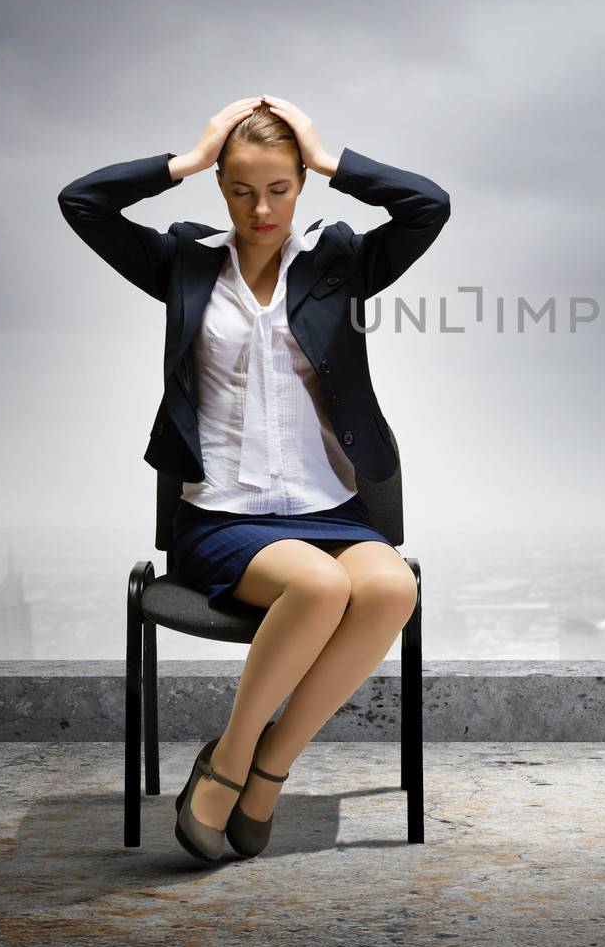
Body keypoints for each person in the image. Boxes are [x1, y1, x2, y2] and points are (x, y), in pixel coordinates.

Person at [58, 94, 449, 862]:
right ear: (221, 189)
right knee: (320, 588)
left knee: (392, 588)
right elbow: (83, 202)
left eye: (278, 188)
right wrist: (191, 156)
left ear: (300, 186)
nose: (260, 207)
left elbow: (427, 207)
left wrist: (328, 155)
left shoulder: (339, 262)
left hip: (329, 507)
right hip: (224, 515)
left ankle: (264, 770)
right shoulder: (183, 263)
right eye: (240, 189)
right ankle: (231, 763)